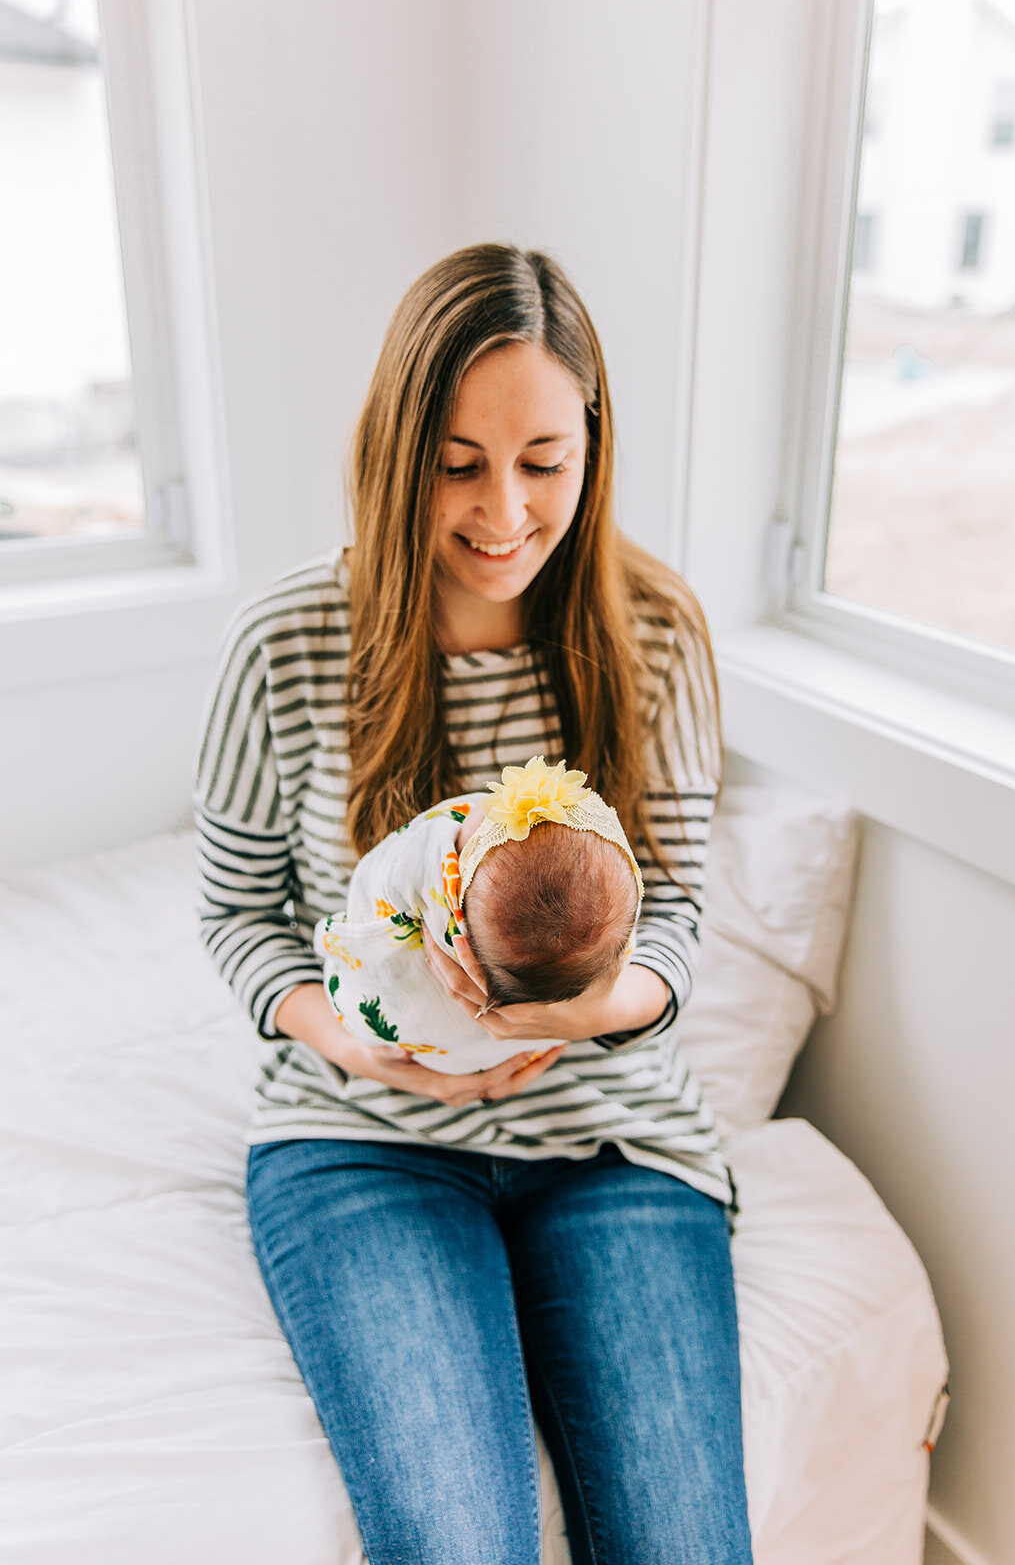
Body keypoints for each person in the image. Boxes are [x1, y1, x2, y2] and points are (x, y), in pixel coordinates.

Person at [194, 243, 753, 1565]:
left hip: (610, 1143)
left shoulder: (655, 633)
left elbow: (673, 905)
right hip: (357, 1145)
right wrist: (351, 1037)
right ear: (397, 450)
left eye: (541, 460)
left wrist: (585, 1005)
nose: (503, 510)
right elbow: (236, 914)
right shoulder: (287, 642)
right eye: (457, 463)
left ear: (591, 444)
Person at [314, 756, 643, 1076]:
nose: (490, 805)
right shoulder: (609, 942)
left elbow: (400, 861)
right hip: (525, 1053)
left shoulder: (430, 869)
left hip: (415, 1044)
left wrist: (602, 1014)